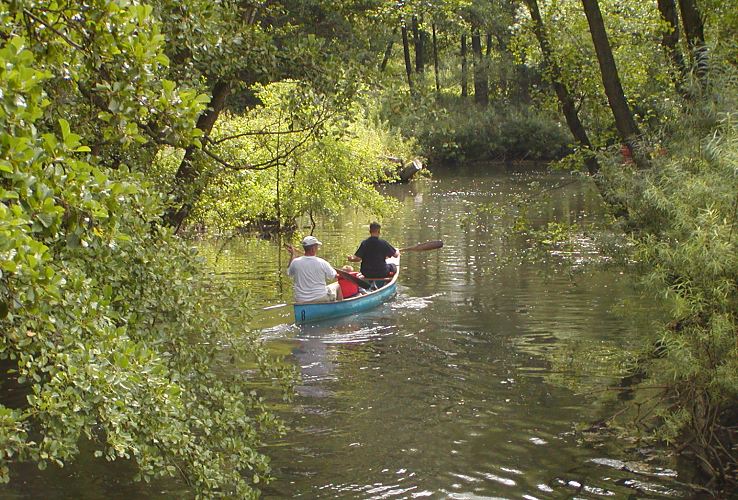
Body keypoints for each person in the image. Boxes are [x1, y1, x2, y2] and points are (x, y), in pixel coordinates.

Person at [286, 235, 342, 303]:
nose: (317, 248)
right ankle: (341, 308)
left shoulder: (295, 262)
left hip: (301, 300)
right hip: (320, 298)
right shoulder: (322, 262)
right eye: (316, 246)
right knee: (338, 286)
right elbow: (334, 276)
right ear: (313, 248)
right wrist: (343, 274)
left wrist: (293, 255)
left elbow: (289, 272)